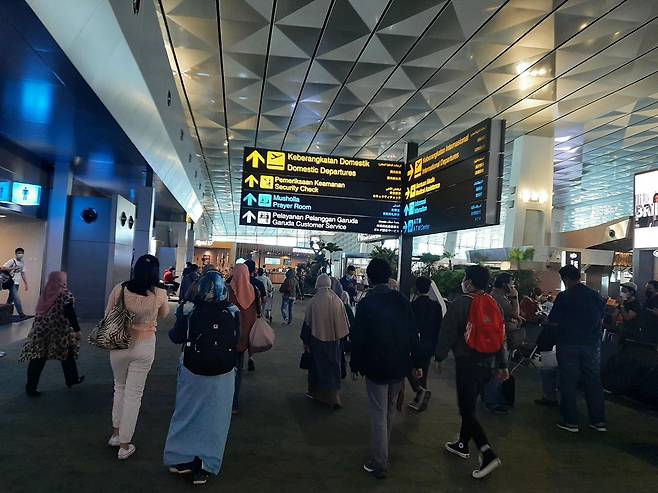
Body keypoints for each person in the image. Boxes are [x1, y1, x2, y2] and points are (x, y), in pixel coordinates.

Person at [350, 259, 422, 479]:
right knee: (389, 410)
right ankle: (383, 451)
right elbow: (413, 333)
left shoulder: (366, 304)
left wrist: (355, 365)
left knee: (378, 414)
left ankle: (380, 462)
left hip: (376, 367)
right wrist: (417, 363)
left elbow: (358, 338)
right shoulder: (402, 300)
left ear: (370, 279)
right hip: (399, 367)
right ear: (389, 276)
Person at [164, 272, 239, 485]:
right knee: (215, 419)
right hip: (223, 374)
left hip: (192, 369)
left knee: (186, 413)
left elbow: (175, 336)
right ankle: (205, 466)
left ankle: (181, 459)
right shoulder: (232, 312)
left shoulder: (189, 310)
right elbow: (238, 341)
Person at [435, 265, 507, 479]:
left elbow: (447, 331)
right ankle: (462, 444)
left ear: (469, 282)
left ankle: (487, 452)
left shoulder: (461, 303)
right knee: (470, 404)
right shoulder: (494, 304)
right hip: (488, 364)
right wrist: (502, 365)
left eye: (466, 278)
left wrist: (439, 357)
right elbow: (500, 335)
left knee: (466, 409)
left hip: (467, 363)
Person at [106, 254, 169, 460]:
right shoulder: (159, 292)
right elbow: (164, 314)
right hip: (145, 344)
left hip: (119, 344)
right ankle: (125, 445)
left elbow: (108, 315)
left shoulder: (120, 289)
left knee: (119, 387)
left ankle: (116, 434)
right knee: (134, 394)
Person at [549, 265, 606, 433]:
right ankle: (598, 421)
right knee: (593, 381)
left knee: (568, 381)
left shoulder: (564, 296)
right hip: (592, 344)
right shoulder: (595, 295)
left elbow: (554, 321)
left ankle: (571, 421)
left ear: (565, 279)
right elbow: (600, 318)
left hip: (568, 343)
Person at [19, 272, 84, 396]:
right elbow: (70, 314)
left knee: (38, 358)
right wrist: (77, 330)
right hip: (58, 330)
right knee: (67, 352)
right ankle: (72, 379)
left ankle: (31, 388)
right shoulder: (65, 294)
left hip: (39, 330)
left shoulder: (46, 292)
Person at [300, 274, 350, 408]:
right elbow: (344, 323)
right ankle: (335, 396)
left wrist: (305, 342)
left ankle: (315, 392)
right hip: (335, 340)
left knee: (316, 366)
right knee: (334, 366)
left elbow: (307, 324)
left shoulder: (314, 301)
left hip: (316, 340)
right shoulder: (337, 300)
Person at [407, 276, 442, 412]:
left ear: (416, 288)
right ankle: (421, 396)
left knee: (408, 367)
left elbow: (410, 327)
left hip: (416, 344)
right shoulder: (436, 306)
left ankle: (419, 390)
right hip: (429, 344)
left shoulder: (412, 306)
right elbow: (439, 327)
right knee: (424, 370)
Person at [228, 263, 260, 414]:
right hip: (244, 337)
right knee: (238, 371)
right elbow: (258, 311)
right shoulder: (253, 290)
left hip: (227, 336)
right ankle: (234, 403)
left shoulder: (228, 290)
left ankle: (223, 401)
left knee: (224, 369)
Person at [3, 247, 29, 319]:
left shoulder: (22, 262)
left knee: (10, 299)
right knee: (16, 298)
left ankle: (4, 314)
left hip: (17, 283)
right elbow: (3, 268)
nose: (20, 254)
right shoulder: (12, 261)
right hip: (11, 282)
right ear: (16, 254)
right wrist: (12, 268)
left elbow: (23, 273)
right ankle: (21, 314)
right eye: (19, 253)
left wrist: (26, 283)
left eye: (22, 253)